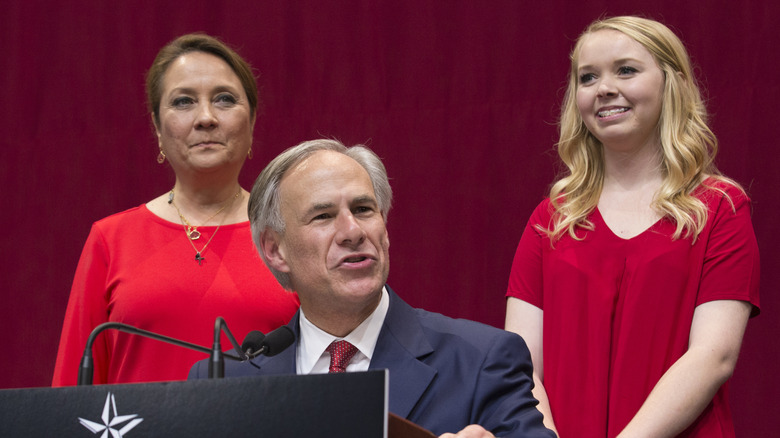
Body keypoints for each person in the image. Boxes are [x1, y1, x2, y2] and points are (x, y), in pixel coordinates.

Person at [189, 139, 556, 438]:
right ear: (275, 249)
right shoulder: (223, 384)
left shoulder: (482, 360)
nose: (353, 232)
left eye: (364, 209)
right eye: (323, 216)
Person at [504, 16, 760, 438]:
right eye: (588, 77)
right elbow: (520, 364)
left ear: (670, 83)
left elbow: (713, 356)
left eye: (625, 70)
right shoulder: (550, 219)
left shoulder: (720, 209)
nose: (604, 87)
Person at [52, 33, 300, 386]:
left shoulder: (292, 234)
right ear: (157, 128)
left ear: (253, 120)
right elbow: (69, 393)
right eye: (183, 102)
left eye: (225, 99)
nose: (206, 118)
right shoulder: (110, 240)